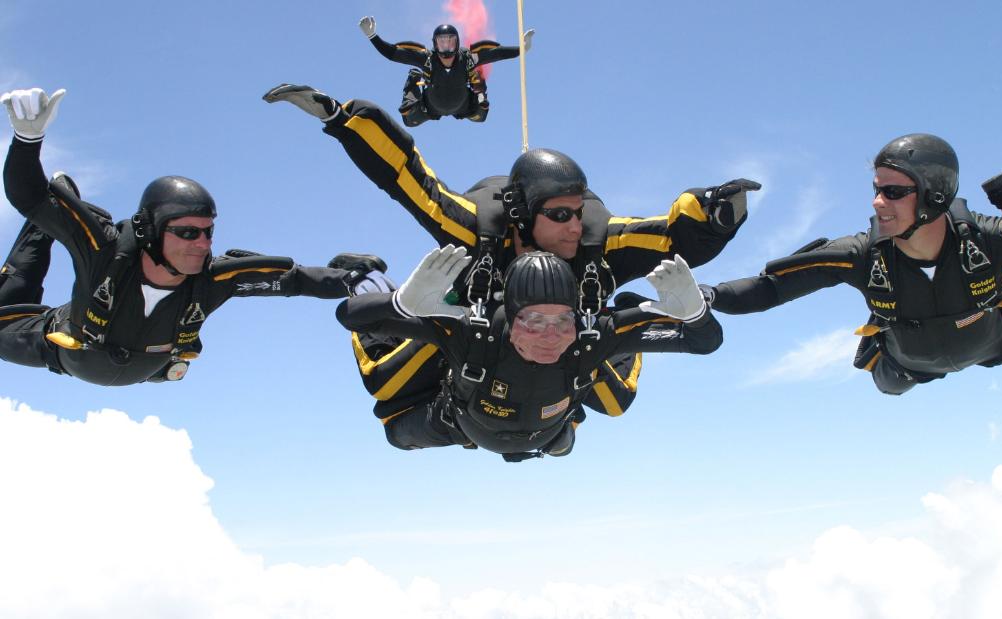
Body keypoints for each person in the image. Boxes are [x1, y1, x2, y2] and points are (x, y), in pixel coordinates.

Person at [264, 83, 757, 426]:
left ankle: (605, 347)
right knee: (387, 388)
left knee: (614, 401)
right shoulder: (475, 228)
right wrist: (344, 117)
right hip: (468, 333)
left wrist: (713, 214)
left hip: (560, 347)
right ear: (521, 216)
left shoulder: (598, 239)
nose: (575, 226)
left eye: (578, 211)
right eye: (559, 215)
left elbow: (668, 236)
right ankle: (378, 289)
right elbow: (411, 181)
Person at [0, 87, 381, 386]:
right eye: (186, 233)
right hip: (62, 348)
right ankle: (63, 192)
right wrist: (26, 140)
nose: (202, 244)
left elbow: (293, 279)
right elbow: (28, 196)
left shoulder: (213, 279)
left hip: (144, 366)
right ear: (149, 232)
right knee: (21, 274)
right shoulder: (105, 250)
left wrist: (354, 282)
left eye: (207, 232)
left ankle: (157, 371)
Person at [702, 133, 1002, 395]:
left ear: (935, 194)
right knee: (887, 386)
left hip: (1000, 340)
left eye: (893, 192)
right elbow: (772, 287)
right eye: (876, 190)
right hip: (905, 362)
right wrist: (707, 296)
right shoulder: (859, 255)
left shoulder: (985, 238)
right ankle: (884, 341)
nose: (877, 203)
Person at [336, 245, 722, 461]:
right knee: (392, 416)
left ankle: (559, 433)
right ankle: (368, 278)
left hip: (536, 427)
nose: (549, 337)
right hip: (458, 421)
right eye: (533, 322)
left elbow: (703, 342)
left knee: (600, 413)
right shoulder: (475, 331)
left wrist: (695, 314)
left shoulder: (589, 336)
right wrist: (403, 304)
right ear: (509, 318)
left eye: (562, 321)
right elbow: (354, 317)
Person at [357, 17, 534, 126]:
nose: (446, 46)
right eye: (442, 42)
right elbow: (393, 54)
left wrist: (522, 49)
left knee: (482, 114)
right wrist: (373, 37)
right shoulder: (427, 59)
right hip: (429, 107)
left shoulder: (468, 58)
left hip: (464, 106)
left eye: (450, 42)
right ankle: (412, 85)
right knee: (408, 119)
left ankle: (479, 93)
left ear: (457, 43)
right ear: (435, 44)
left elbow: (497, 54)